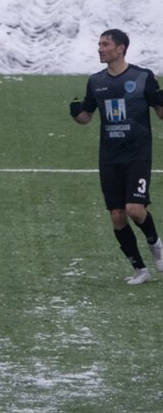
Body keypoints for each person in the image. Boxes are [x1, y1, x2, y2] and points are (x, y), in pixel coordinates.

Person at [70, 29, 163, 284]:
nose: (99, 48)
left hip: (137, 155)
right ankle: (140, 270)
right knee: (117, 216)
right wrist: (76, 112)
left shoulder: (142, 77)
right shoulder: (95, 81)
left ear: (120, 48)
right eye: (99, 44)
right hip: (110, 158)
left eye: (105, 44)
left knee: (134, 209)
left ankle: (155, 243)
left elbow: (161, 113)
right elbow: (86, 117)